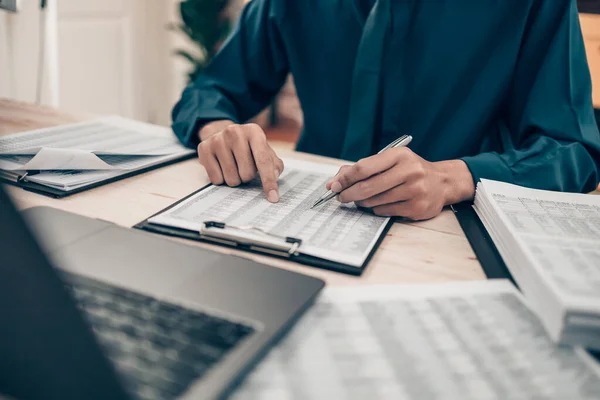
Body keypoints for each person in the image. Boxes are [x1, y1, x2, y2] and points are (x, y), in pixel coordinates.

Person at [171, 0, 600, 220]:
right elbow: (210, 91)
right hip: (303, 213)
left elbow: (572, 149)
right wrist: (219, 128)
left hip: (453, 229)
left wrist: (452, 178)